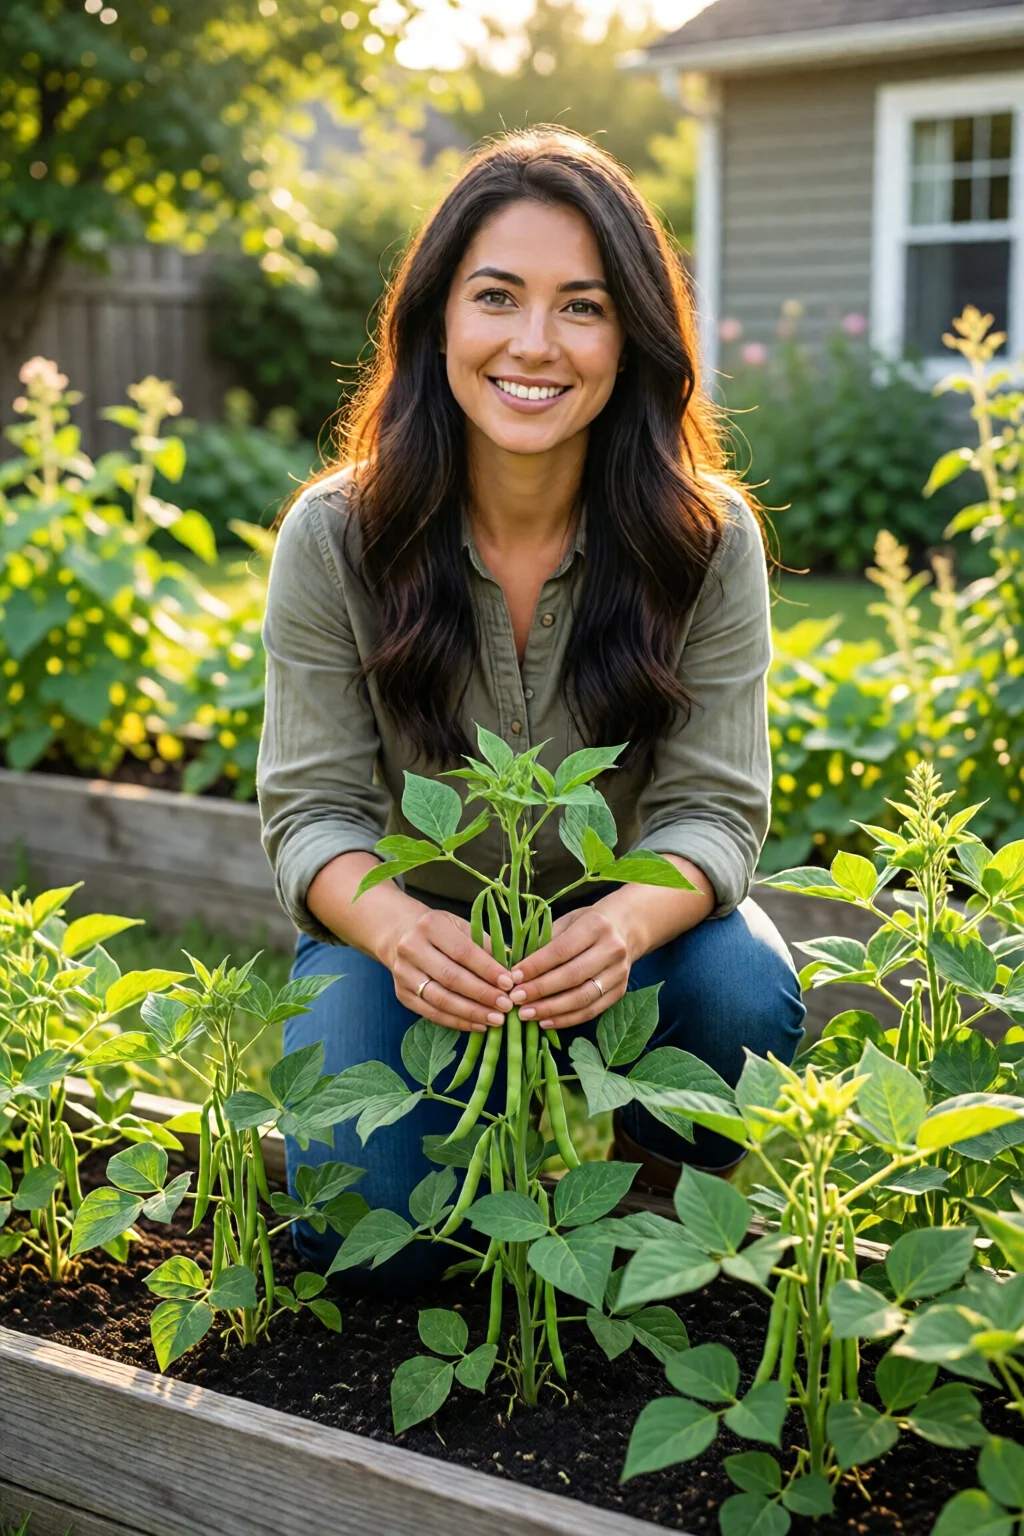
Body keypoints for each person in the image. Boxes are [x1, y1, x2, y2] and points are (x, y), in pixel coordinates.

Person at [256, 127, 805, 1289]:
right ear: (436, 322)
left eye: (583, 306)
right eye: (496, 296)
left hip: (624, 952)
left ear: (632, 339)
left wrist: (620, 928)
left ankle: (650, 1190)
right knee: (377, 1251)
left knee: (739, 984)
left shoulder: (704, 542)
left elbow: (715, 809)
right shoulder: (335, 537)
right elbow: (310, 815)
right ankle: (463, 1161)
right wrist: (403, 932)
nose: (534, 345)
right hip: (410, 951)